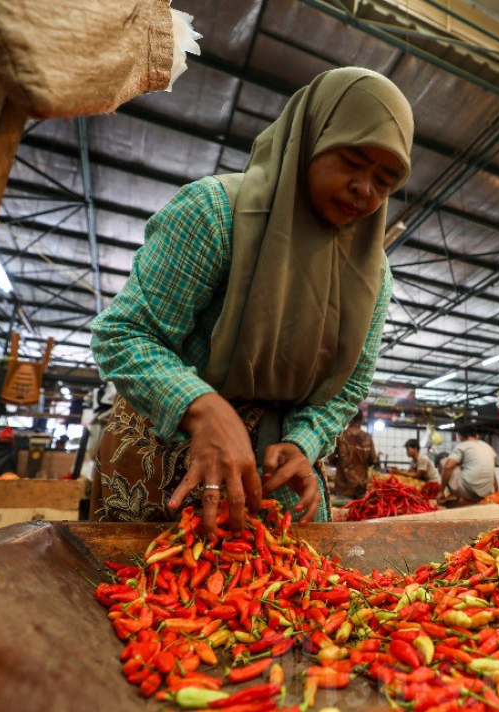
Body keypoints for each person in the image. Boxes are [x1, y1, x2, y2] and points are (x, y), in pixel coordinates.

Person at [89, 67, 413, 536]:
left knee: (280, 582)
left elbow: (348, 387)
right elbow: (124, 333)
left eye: (384, 181)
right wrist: (200, 406)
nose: (365, 188)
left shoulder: (372, 276)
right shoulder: (214, 214)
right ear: (310, 138)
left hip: (276, 477)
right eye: (352, 160)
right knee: (152, 577)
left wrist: (304, 441)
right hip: (166, 460)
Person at [441, 422, 498, 502]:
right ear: (477, 436)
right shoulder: (488, 447)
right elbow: (492, 473)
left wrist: (441, 491)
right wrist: (497, 492)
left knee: (444, 461)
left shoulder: (462, 446)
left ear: (460, 436)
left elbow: (448, 467)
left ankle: (452, 495)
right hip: (487, 493)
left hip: (469, 493)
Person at [330, 411, 378, 499]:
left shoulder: (341, 436)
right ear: (362, 421)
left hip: (343, 486)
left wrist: (341, 464)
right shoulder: (367, 438)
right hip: (361, 486)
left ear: (348, 420)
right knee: (359, 507)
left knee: (343, 507)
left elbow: (331, 458)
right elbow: (373, 459)